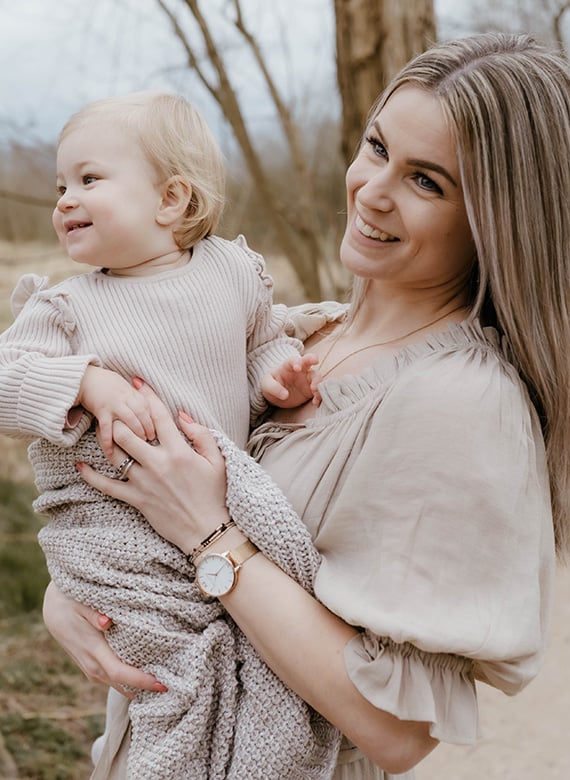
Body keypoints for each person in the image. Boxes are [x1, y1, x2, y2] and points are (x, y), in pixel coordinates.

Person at [42, 31, 570, 780]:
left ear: (497, 220)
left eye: (427, 181)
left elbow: (398, 732)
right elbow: (146, 520)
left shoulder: (461, 404)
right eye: (376, 148)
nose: (372, 190)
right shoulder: (300, 335)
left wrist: (210, 535)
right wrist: (70, 596)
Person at [0, 91, 339, 778]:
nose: (65, 198)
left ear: (172, 199)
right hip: (125, 540)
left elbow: (262, 345)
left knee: (255, 664)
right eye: (63, 184)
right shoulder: (67, 306)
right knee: (170, 684)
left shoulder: (232, 273)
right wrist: (87, 380)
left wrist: (281, 380)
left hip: (215, 513)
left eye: (89, 179)